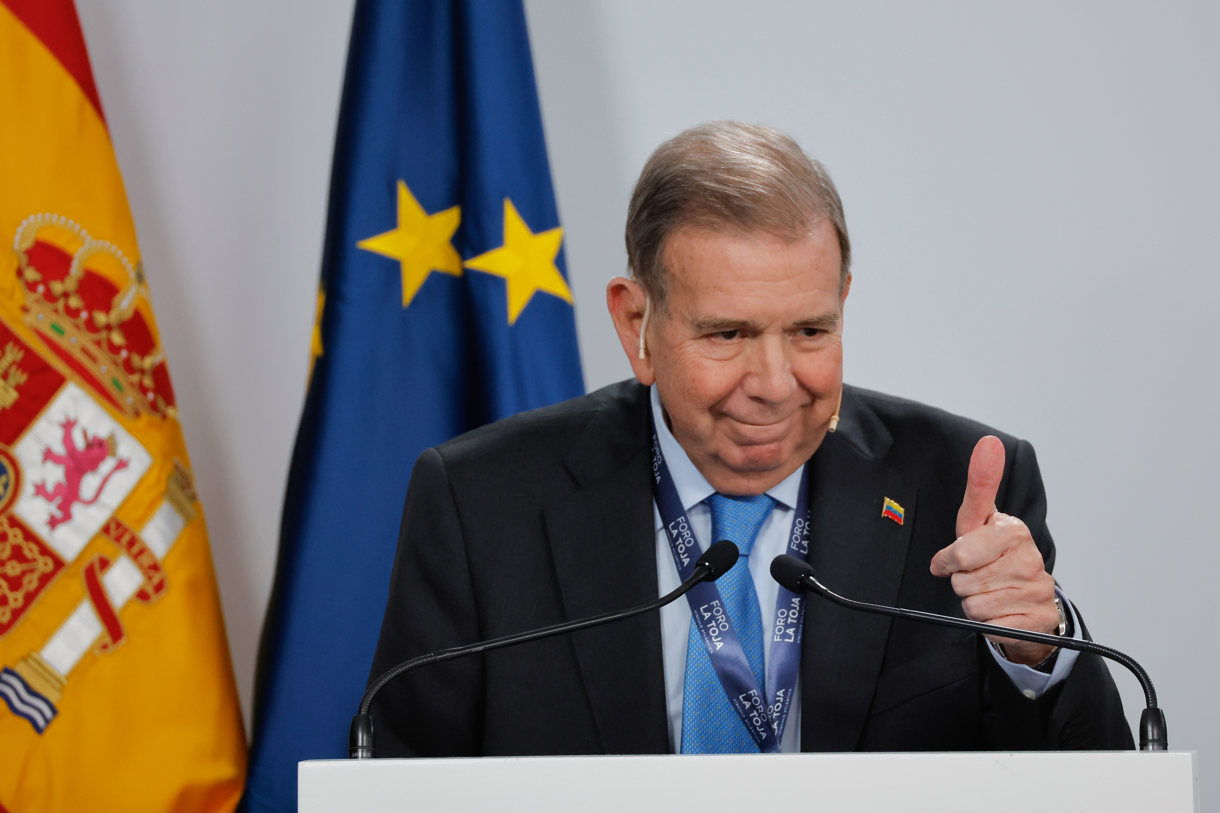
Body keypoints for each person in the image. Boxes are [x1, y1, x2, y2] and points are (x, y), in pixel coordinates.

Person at [367, 121, 1133, 756]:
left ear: (843, 303)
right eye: (727, 333)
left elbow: (1099, 782)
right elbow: (394, 781)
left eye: (809, 329)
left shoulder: (955, 488)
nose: (773, 381)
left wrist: (1038, 650)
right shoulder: (481, 503)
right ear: (637, 324)